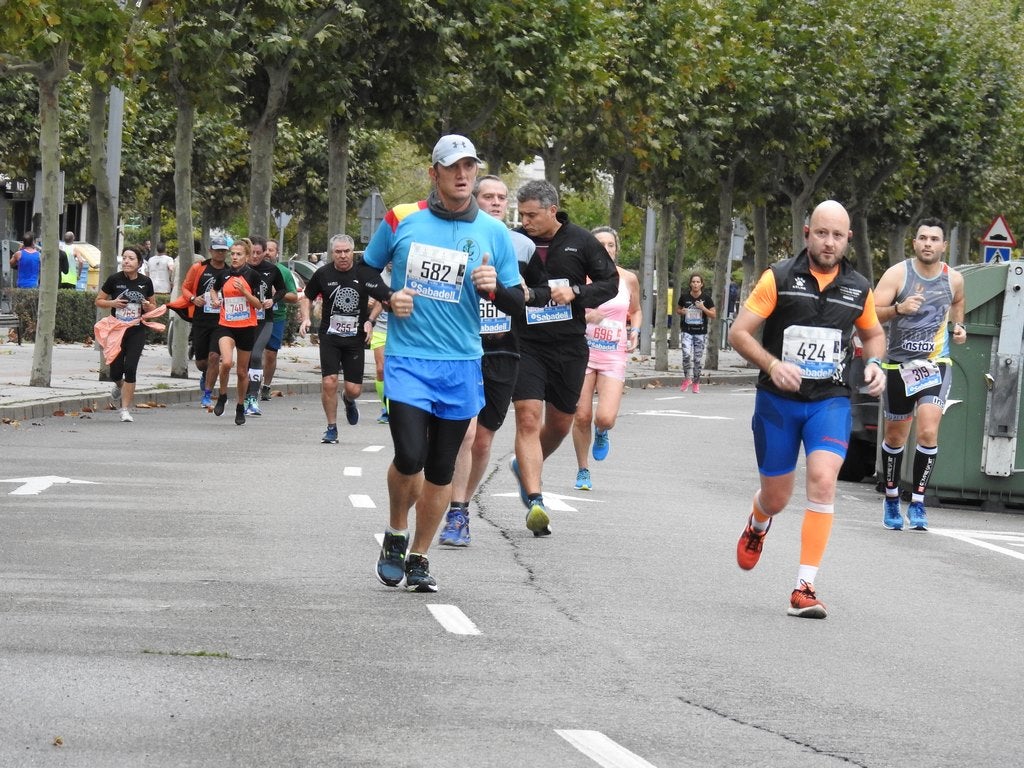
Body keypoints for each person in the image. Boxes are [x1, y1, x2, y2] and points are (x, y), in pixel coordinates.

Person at [364, 134, 521, 592]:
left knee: (440, 469)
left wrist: (494, 288)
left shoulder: (494, 233)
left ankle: (419, 557)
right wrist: (389, 298)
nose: (462, 175)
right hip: (408, 359)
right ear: (434, 172)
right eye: (453, 167)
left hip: (461, 364)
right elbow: (366, 270)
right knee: (409, 456)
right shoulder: (400, 218)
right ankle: (396, 531)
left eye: (469, 167)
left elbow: (516, 303)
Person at [727, 200, 886, 619]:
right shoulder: (777, 277)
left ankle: (804, 587)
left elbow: (873, 335)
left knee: (822, 480)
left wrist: (874, 364)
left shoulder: (859, 287)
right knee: (777, 498)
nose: (828, 242)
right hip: (778, 402)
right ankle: (759, 520)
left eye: (837, 235)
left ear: (848, 239)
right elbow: (739, 333)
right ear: (806, 234)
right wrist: (773, 364)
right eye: (821, 233)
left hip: (829, 401)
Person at [509, 179, 619, 536]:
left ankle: (524, 465)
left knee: (558, 424)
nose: (525, 221)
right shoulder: (514, 241)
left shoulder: (581, 240)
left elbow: (610, 283)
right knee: (527, 418)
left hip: (569, 346)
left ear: (552, 210)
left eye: (532, 215)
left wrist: (576, 292)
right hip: (526, 343)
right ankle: (536, 498)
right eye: (521, 214)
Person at [440, 175, 532, 546]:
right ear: (474, 200)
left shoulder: (521, 247)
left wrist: (525, 291)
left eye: (502, 197)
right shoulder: (453, 238)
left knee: (482, 441)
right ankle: (455, 510)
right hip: (461, 349)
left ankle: (458, 507)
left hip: (504, 351)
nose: (496, 202)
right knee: (465, 432)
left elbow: (533, 296)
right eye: (488, 196)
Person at [872, 217, 966, 531]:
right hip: (898, 366)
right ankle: (891, 497)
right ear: (915, 243)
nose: (928, 243)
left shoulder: (953, 279)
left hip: (934, 364)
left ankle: (918, 503)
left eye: (934, 239)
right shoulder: (898, 274)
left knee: (927, 431)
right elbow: (872, 311)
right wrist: (898, 309)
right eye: (922, 238)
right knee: (895, 437)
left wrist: (959, 325)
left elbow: (958, 301)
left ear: (944, 245)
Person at [299, 233, 390, 442]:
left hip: (355, 339)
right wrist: (305, 318)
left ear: (352, 251)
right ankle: (331, 427)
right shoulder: (323, 273)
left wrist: (371, 321)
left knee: (354, 389)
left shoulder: (364, 273)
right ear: (332, 253)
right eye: (338, 252)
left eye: (346, 251)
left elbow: (381, 299)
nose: (342, 256)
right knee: (329, 381)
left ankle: (349, 400)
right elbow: (307, 297)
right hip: (330, 337)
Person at [570, 226, 642, 492]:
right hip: (582, 352)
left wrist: (634, 331)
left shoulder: (628, 279)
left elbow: (636, 311)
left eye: (610, 244)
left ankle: (602, 432)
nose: (606, 248)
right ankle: (583, 470)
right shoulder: (579, 278)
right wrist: (587, 317)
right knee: (581, 415)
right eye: (599, 244)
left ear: (616, 248)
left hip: (613, 355)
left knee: (605, 417)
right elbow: (563, 310)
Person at [95, 247, 156, 422]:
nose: (127, 261)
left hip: (136, 329)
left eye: (131, 258)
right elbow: (98, 300)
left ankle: (125, 409)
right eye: (124, 258)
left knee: (130, 368)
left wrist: (146, 306)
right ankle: (118, 384)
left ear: (139, 263)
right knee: (115, 371)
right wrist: (112, 302)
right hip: (116, 330)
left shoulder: (146, 282)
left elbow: (153, 306)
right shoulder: (114, 280)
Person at [210, 238, 263, 425]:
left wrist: (245, 293)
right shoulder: (223, 275)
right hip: (226, 325)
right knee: (226, 362)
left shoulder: (253, 276)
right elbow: (213, 290)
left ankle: (240, 405)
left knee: (242, 372)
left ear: (246, 256)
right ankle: (223, 395)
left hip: (247, 327)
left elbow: (259, 304)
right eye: (232, 254)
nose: (234, 257)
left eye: (239, 254)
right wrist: (216, 300)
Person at [243, 235, 295, 416]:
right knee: (245, 361)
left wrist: (273, 300)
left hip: (265, 320)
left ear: (265, 253)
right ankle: (244, 395)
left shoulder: (272, 270)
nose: (255, 256)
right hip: (242, 321)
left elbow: (282, 290)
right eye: (252, 253)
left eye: (259, 253)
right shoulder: (240, 269)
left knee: (257, 355)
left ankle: (252, 398)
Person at [183, 237, 231, 407]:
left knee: (214, 356)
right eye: (217, 250)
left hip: (221, 321)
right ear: (210, 251)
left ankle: (208, 394)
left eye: (223, 250)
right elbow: (185, 287)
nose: (220, 253)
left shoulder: (230, 271)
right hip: (201, 318)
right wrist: (193, 298)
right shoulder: (199, 268)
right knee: (202, 361)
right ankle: (206, 374)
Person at [259, 239, 298, 401]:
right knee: (253, 352)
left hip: (276, 317)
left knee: (270, 354)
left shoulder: (283, 272)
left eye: (271, 250)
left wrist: (278, 294)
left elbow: (294, 296)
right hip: (256, 317)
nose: (268, 253)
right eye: (265, 250)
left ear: (277, 253)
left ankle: (266, 386)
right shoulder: (253, 269)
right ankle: (252, 383)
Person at [676, 273, 716, 393]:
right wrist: (682, 311)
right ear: (690, 284)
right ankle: (687, 379)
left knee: (697, 359)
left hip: (700, 332)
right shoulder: (684, 297)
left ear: (701, 284)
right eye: (693, 282)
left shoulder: (707, 298)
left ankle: (696, 382)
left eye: (698, 282)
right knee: (686, 355)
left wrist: (703, 308)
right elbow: (678, 310)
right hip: (687, 331)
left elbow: (713, 315)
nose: (695, 284)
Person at [367, 263, 393, 424]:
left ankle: (396, 407)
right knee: (381, 368)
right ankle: (386, 408)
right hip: (381, 328)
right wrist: (368, 305)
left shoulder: (406, 272)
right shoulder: (377, 275)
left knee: (396, 372)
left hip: (402, 329)